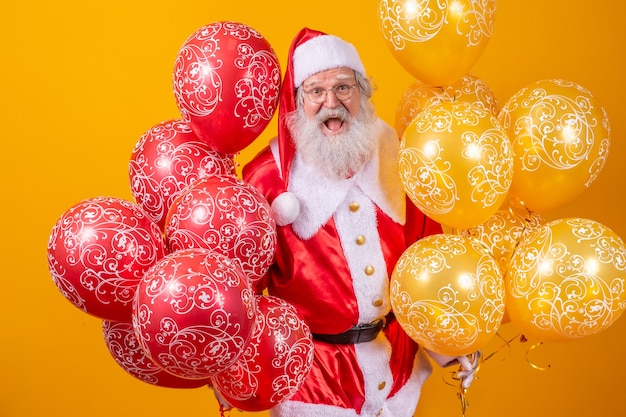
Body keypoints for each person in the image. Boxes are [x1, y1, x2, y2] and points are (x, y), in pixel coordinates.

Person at [241, 27, 476, 417]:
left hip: (395, 371)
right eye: (316, 91)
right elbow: (243, 287)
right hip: (313, 381)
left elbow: (428, 260)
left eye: (344, 88)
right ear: (298, 102)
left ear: (363, 93)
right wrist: (236, 369)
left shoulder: (401, 161)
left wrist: (449, 344)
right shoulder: (267, 177)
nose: (331, 102)